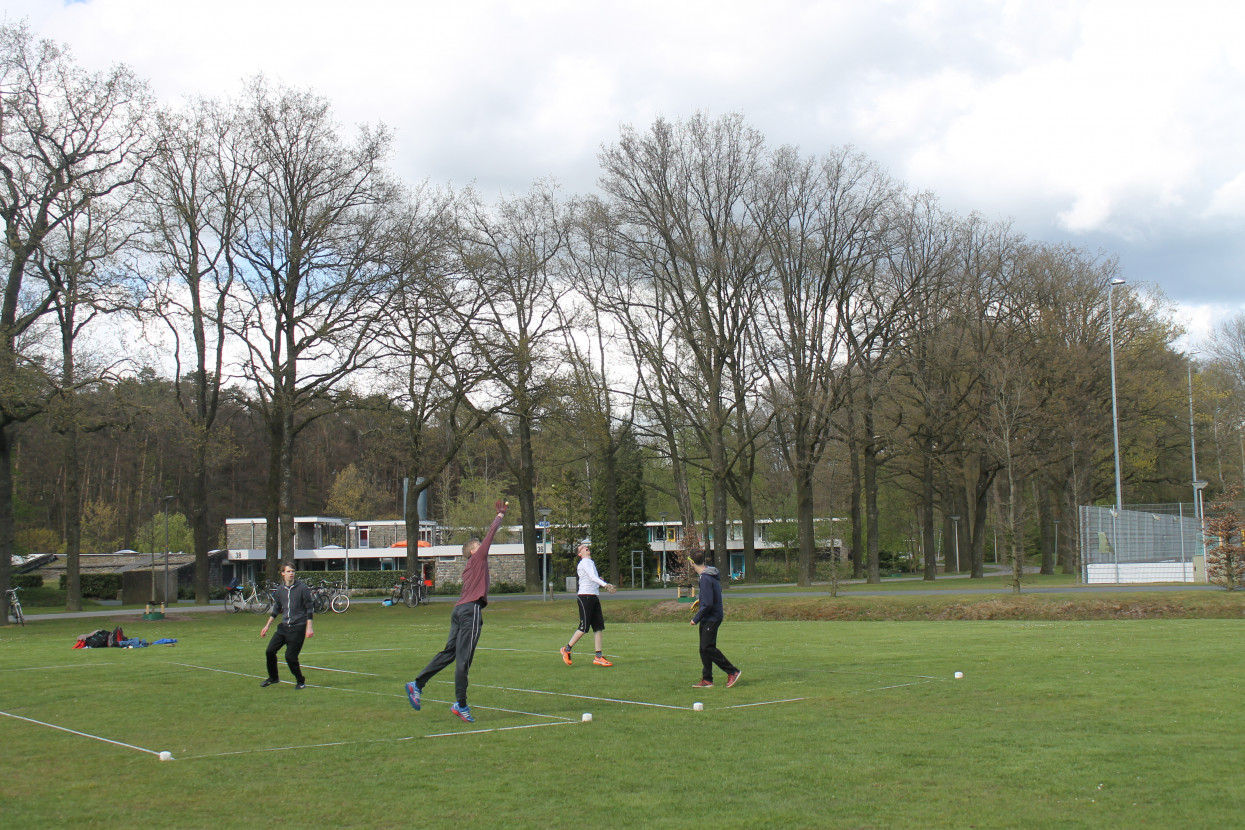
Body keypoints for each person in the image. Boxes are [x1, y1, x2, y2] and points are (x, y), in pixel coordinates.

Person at [405, 500, 508, 723]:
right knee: (463, 661)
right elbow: (490, 536)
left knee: (449, 654)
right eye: (478, 545)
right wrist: (499, 517)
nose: (482, 547)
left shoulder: (471, 567)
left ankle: (417, 684)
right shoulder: (478, 558)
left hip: (459, 610)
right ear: (473, 550)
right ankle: (461, 705)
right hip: (470, 611)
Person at [559, 539, 616, 667]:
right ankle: (566, 649)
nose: (586, 548)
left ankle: (598, 657)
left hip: (594, 596)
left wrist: (600, 580)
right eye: (582, 548)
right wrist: (605, 584)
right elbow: (591, 576)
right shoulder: (584, 562)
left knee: (598, 627)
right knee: (584, 627)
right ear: (580, 554)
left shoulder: (590, 562)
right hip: (585, 597)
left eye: (586, 546)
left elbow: (593, 578)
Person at [688, 550, 740, 689]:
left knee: (708, 647)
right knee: (703, 648)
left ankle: (732, 671)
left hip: (712, 617)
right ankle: (707, 679)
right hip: (709, 615)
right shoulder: (709, 574)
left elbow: (709, 603)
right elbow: (712, 595)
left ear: (692, 562)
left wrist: (696, 618)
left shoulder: (705, 577)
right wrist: (701, 600)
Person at [259, 563, 314, 689]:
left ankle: (300, 681)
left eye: (293, 571)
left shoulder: (302, 588)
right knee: (270, 651)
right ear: (283, 573)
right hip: (284, 627)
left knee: (290, 656)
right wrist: (267, 626)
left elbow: (309, 608)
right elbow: (276, 609)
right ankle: (274, 677)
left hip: (298, 627)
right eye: (288, 571)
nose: (291, 574)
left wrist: (309, 627)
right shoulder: (280, 590)